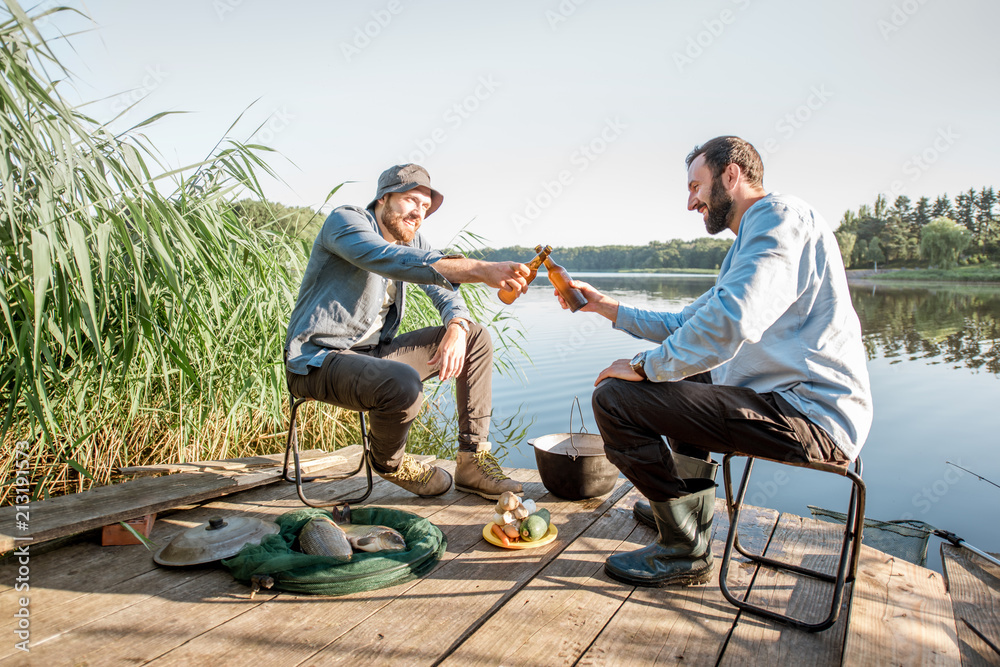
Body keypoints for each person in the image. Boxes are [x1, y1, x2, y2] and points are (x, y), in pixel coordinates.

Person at [559, 136, 873, 587]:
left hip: (812, 417)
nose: (691, 202)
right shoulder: (750, 244)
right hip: (783, 402)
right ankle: (686, 507)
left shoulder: (777, 218)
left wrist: (647, 367)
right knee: (693, 369)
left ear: (731, 175)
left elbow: (732, 321)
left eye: (696, 186)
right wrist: (605, 306)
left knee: (616, 399)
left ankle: (684, 547)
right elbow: (690, 323)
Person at [285, 164, 530, 500]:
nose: (419, 213)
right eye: (412, 200)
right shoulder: (345, 222)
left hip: (374, 358)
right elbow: (389, 258)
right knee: (401, 382)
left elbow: (445, 292)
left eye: (426, 207)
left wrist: (457, 326)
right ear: (383, 198)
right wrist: (481, 269)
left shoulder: (411, 238)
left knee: (475, 337)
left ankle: (472, 461)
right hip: (317, 362)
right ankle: (389, 463)